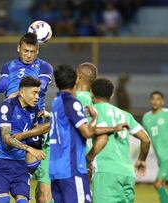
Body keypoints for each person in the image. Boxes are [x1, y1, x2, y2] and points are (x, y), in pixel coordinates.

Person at [0, 32, 53, 202]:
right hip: (12, 112)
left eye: (32, 52)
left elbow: (39, 87)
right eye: (26, 51)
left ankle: (29, 187)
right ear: (18, 48)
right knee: (5, 143)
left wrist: (20, 93)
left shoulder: (44, 67)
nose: (28, 55)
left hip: (35, 118)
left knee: (32, 165)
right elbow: (3, 85)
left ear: (38, 51)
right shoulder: (8, 66)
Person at [49, 64, 129, 203]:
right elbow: (88, 131)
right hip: (74, 163)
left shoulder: (56, 101)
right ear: (76, 78)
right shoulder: (80, 101)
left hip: (56, 163)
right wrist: (89, 157)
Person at [87, 78, 150, 203]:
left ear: (91, 93)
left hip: (106, 171)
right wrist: (141, 160)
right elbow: (146, 139)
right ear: (112, 95)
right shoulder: (125, 115)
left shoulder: (90, 112)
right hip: (127, 173)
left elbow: (86, 131)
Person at [0, 76, 46, 203]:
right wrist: (30, 149)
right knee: (4, 200)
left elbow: (33, 134)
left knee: (22, 201)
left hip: (20, 164)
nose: (37, 97)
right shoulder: (7, 107)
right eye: (34, 93)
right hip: (0, 162)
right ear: (22, 92)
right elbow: (6, 138)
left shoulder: (34, 110)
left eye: (38, 93)